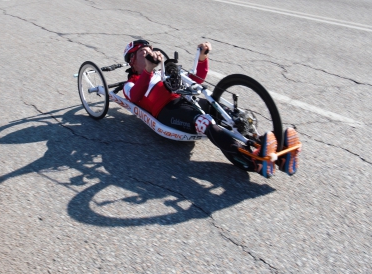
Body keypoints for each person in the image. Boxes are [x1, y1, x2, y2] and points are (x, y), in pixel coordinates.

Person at [122, 39, 296, 175]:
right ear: (132, 61)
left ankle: (271, 149)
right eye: (142, 53)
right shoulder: (130, 84)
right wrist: (148, 70)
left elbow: (195, 79)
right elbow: (135, 96)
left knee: (228, 113)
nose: (149, 54)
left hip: (188, 100)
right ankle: (254, 161)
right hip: (167, 111)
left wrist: (202, 58)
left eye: (150, 51)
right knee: (204, 122)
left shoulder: (164, 71)